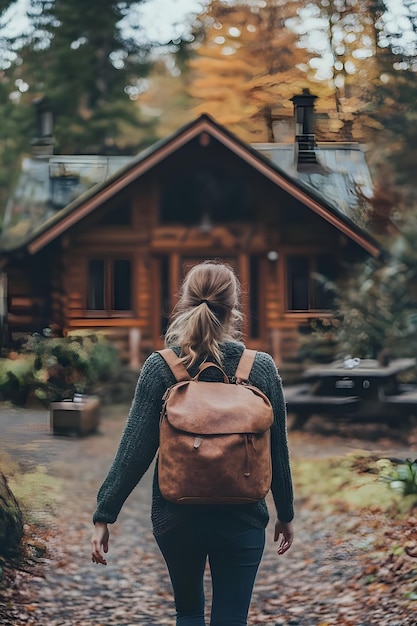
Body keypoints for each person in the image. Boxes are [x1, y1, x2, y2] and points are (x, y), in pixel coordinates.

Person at [91, 260, 294, 626]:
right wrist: (286, 514)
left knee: (187, 612)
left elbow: (135, 448)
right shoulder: (260, 367)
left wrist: (105, 513)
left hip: (175, 516)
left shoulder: (162, 366)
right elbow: (276, 449)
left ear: (184, 302)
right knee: (231, 617)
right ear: (234, 307)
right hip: (244, 514)